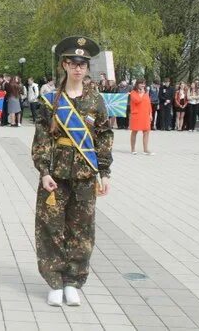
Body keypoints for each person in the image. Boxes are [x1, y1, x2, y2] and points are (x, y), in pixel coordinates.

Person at [32, 36, 113, 307]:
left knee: (82, 231)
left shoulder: (95, 99)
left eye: (83, 63)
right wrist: (43, 171)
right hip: (55, 174)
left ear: (88, 68)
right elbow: (41, 136)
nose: (78, 68)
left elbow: (103, 135)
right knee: (50, 228)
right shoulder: (51, 99)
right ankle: (54, 281)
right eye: (73, 62)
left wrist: (105, 172)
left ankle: (73, 281)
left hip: (85, 176)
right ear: (64, 65)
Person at [129, 79, 154, 155]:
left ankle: (145, 149)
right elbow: (137, 100)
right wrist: (142, 93)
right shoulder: (133, 93)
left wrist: (150, 114)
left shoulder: (146, 93)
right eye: (141, 84)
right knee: (134, 131)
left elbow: (149, 104)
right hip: (136, 115)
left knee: (146, 131)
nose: (143, 85)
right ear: (137, 84)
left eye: (144, 84)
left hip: (145, 115)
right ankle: (133, 149)